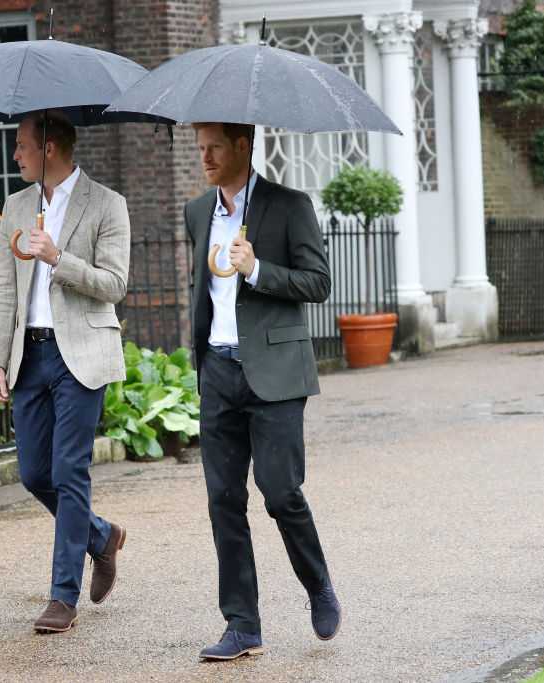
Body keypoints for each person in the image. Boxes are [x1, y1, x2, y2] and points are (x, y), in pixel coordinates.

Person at [184, 122, 341, 661]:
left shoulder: (290, 205)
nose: (204, 157)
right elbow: (204, 293)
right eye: (200, 147)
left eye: (214, 148)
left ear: (243, 148)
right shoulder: (198, 212)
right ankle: (241, 624)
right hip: (219, 372)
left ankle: (317, 583)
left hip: (275, 373)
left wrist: (258, 269)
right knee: (223, 500)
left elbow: (318, 283)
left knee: (280, 492)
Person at [0, 110, 131, 633]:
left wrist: (58, 257)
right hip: (29, 357)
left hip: (81, 356)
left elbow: (114, 283)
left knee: (70, 472)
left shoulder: (107, 204)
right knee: (33, 474)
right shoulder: (17, 206)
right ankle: (101, 535)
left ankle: (61, 597)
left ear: (48, 148)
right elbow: (3, 290)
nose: (16, 155)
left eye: (22, 146)